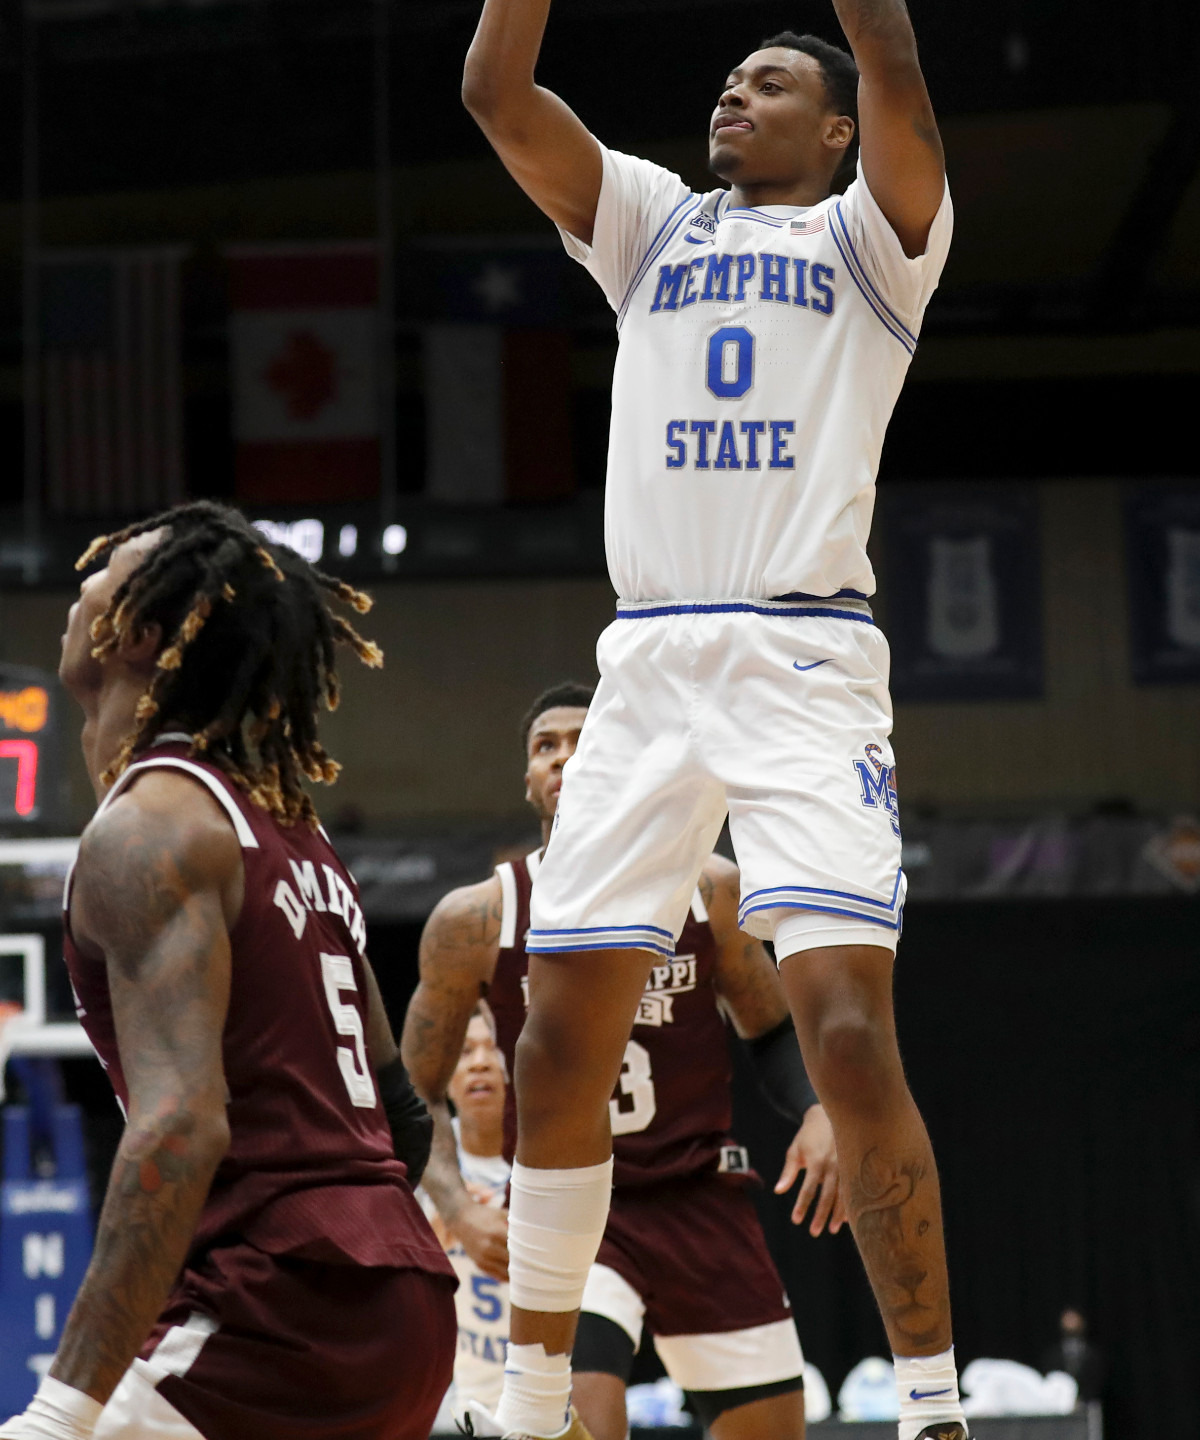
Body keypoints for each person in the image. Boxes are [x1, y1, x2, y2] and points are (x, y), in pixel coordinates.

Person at [461, 0, 964, 1440]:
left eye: (768, 84)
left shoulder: (875, 243)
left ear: (832, 135)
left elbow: (893, 58)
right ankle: (529, 1391)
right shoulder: (653, 224)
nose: (731, 95)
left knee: (841, 1028)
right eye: (730, 82)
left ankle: (933, 1404)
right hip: (652, 658)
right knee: (556, 1037)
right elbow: (495, 87)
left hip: (806, 654)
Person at [0, 503, 455, 1440]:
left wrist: (63, 1410)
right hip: (395, 1298)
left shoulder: (151, 830)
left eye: (109, 567)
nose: (81, 581)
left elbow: (180, 1126)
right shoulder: (290, 829)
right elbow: (399, 1117)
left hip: (277, 1309)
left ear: (140, 633)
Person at [404, 683, 844, 1440]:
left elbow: (771, 1029)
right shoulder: (478, 918)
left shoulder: (710, 890)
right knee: (577, 1423)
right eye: (546, 746)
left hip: (696, 1194)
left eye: (584, 739)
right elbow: (412, 1091)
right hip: (571, 1202)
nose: (565, 757)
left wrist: (816, 1109)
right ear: (529, 779)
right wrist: (451, 1205)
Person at [422, 1009, 514, 1425]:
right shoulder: (424, 1158)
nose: (480, 1061)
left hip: (553, 1384)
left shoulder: (556, 1151)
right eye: (463, 1051)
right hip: (451, 1397)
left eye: (493, 1048)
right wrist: (428, 1242)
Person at [1041, 1309, 1105, 1405]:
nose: (1070, 1323)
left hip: (1087, 1404)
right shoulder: (1053, 1355)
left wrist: (1082, 1399)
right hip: (1059, 1406)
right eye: (1068, 1319)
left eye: (1073, 1319)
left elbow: (1096, 1380)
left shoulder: (1092, 1355)